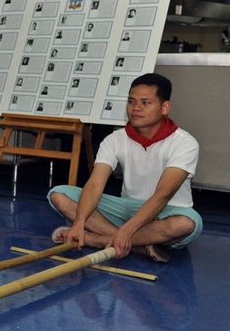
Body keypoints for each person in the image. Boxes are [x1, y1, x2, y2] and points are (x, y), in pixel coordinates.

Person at [48, 73, 202, 263]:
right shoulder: (115, 139)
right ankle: (137, 244)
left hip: (167, 211)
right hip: (125, 209)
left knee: (186, 224)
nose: (136, 108)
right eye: (131, 101)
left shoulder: (184, 143)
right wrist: (79, 223)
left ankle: (98, 239)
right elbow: (95, 185)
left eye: (145, 102)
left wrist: (126, 231)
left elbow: (163, 194)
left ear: (165, 107)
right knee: (59, 195)